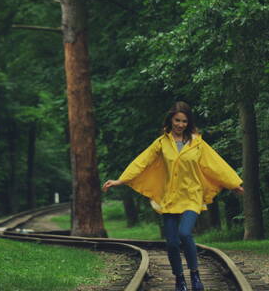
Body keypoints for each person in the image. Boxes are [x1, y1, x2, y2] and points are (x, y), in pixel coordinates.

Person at [102, 101, 245, 291]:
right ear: (171, 120)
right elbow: (141, 162)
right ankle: (180, 279)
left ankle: (195, 276)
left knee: (185, 233)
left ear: (189, 122)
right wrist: (121, 180)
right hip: (170, 198)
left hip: (192, 196)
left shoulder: (197, 143)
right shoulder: (161, 143)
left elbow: (215, 164)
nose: (180, 125)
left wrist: (233, 183)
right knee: (171, 244)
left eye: (184, 121)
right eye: (177, 120)